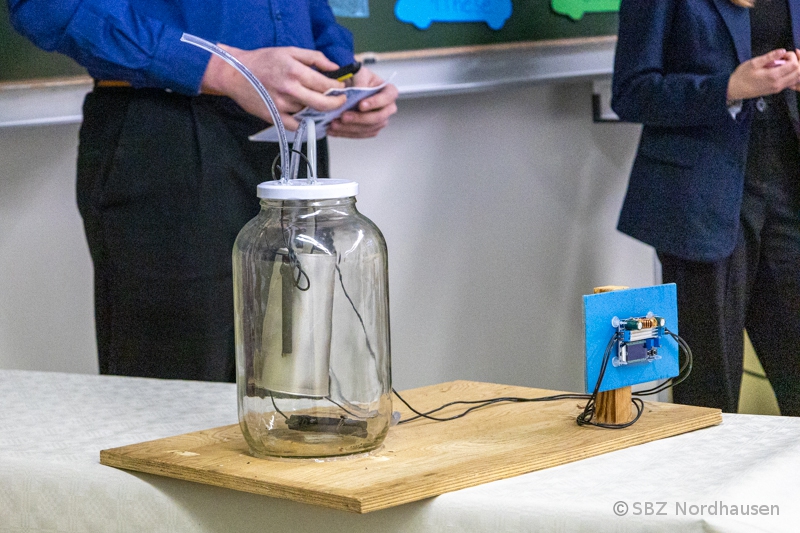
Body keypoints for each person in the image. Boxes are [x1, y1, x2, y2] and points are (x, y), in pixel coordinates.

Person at [7, 0, 398, 382]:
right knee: (176, 390)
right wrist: (223, 68)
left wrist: (339, 74)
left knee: (289, 383)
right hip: (166, 127)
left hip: (290, 134)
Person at [612, 0, 800, 414]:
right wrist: (728, 88)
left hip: (789, 193)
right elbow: (631, 92)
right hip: (699, 204)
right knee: (708, 397)